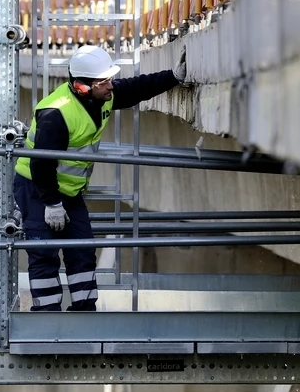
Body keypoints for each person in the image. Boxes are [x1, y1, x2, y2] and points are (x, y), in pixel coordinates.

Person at [13, 44, 186, 311]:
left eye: (110, 79)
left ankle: (84, 313)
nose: (111, 85)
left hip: (69, 191)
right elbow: (41, 164)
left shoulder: (100, 97)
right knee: (44, 253)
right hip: (37, 189)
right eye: (103, 81)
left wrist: (173, 76)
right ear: (82, 86)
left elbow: (135, 88)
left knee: (82, 248)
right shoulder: (55, 113)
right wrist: (51, 204)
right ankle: (46, 318)